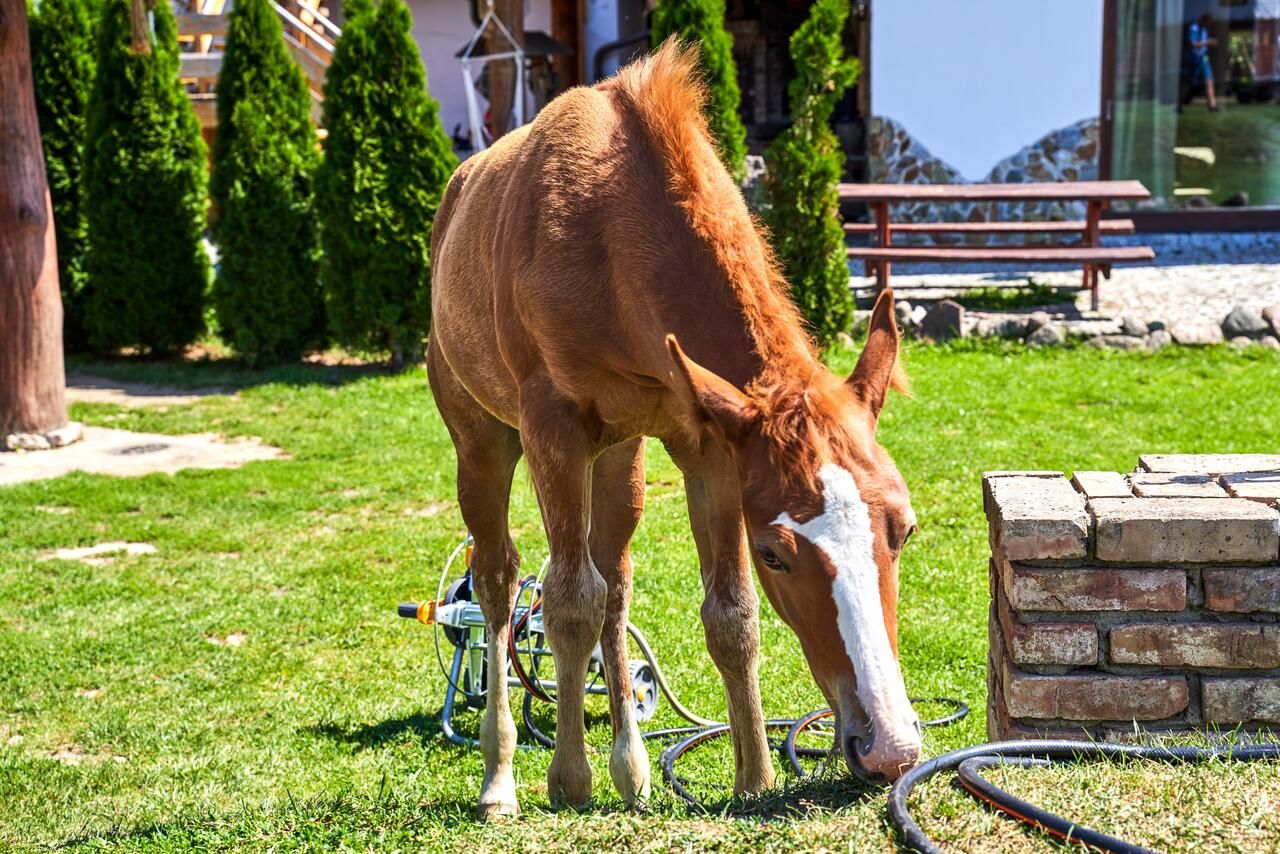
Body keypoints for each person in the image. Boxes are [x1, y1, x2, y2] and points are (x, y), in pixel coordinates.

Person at [1184, 13, 1219, 112]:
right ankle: (1179, 104)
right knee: (1188, 83)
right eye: (1209, 22)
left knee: (1209, 81)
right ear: (1204, 21)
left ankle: (1212, 106)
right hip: (1193, 59)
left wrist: (1210, 43)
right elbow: (1193, 44)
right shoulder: (1194, 28)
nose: (1210, 25)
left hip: (1203, 58)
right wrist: (1207, 42)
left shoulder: (1205, 30)